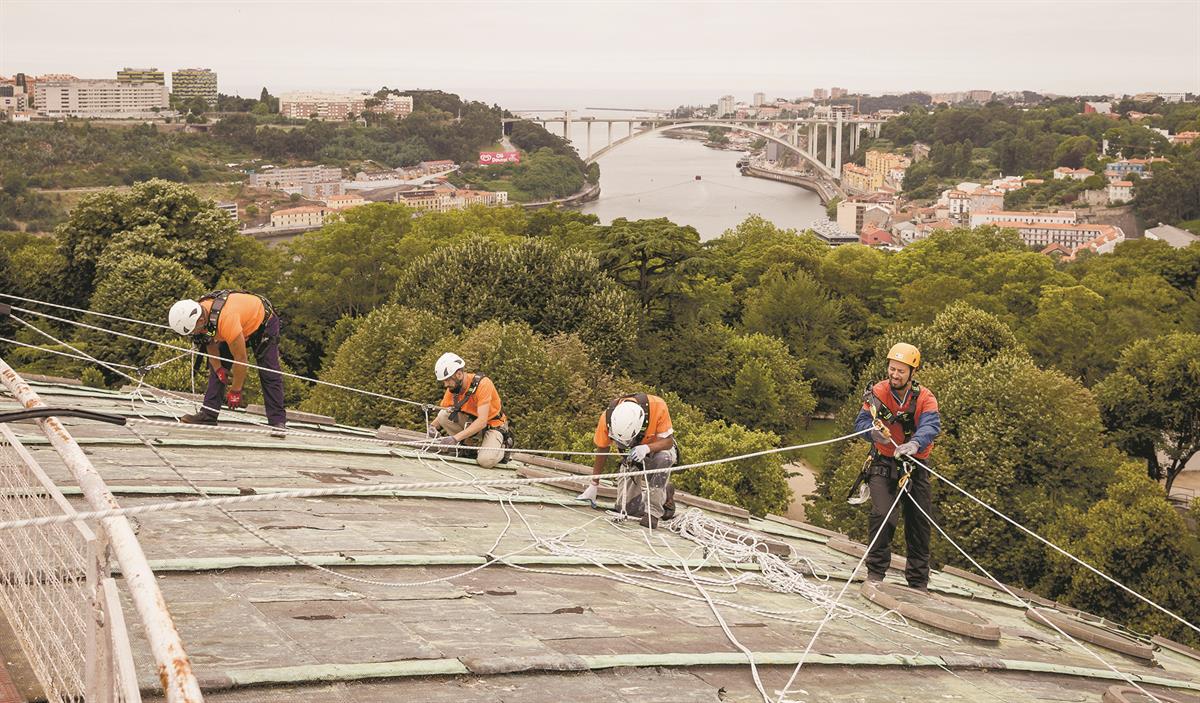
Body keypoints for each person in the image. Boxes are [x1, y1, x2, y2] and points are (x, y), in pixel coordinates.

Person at [852, 342, 941, 592]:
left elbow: (931, 426)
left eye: (901, 371)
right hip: (883, 463)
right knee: (882, 515)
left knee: (919, 523)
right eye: (892, 369)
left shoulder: (925, 397)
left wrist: (915, 444)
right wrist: (873, 434)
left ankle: (918, 582)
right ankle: (876, 573)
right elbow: (860, 422)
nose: (895, 374)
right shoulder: (878, 393)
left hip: (915, 465)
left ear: (912, 372)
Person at [168, 290, 287, 432]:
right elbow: (209, 341)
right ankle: (208, 414)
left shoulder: (226, 320)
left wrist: (236, 390)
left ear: (200, 321)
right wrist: (219, 369)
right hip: (236, 324)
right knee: (218, 366)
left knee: (269, 371)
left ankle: (277, 421)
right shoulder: (202, 314)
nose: (194, 334)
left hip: (262, 324)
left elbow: (241, 359)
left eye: (194, 331)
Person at [581, 393, 677, 528]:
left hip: (657, 450)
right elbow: (602, 448)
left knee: (663, 458)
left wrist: (647, 448)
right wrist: (594, 484)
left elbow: (668, 442)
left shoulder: (657, 406)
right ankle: (665, 496)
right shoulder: (607, 417)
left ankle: (653, 512)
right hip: (631, 457)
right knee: (627, 508)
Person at [426, 352, 511, 469]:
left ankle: (503, 447)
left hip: (493, 426)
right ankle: (467, 449)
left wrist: (455, 438)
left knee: (485, 461)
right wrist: (432, 426)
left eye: (447, 380)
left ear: (459, 374)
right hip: (471, 423)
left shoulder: (483, 384)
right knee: (443, 415)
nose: (445, 385)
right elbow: (445, 411)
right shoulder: (453, 388)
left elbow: (482, 422)